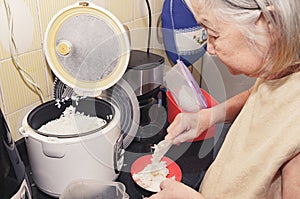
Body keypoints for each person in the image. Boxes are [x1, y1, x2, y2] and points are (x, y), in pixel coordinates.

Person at [147, 0, 300, 198]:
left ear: (268, 24)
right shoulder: (280, 71)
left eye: (214, 34)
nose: (209, 48)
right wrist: (207, 117)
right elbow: (257, 97)